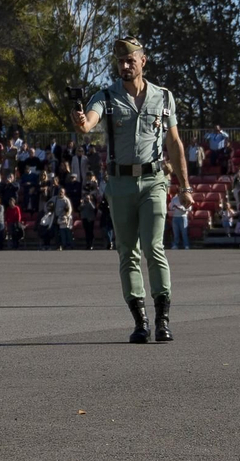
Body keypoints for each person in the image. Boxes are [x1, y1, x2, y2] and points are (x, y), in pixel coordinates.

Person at [71, 37, 191, 343]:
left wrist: (184, 185)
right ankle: (141, 321)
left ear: (143, 60)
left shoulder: (163, 98)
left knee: (154, 247)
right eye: (120, 62)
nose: (125, 66)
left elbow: (174, 143)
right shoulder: (106, 97)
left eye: (130, 61)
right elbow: (90, 123)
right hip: (120, 184)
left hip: (153, 181)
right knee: (128, 253)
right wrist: (83, 122)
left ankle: (163, 319)